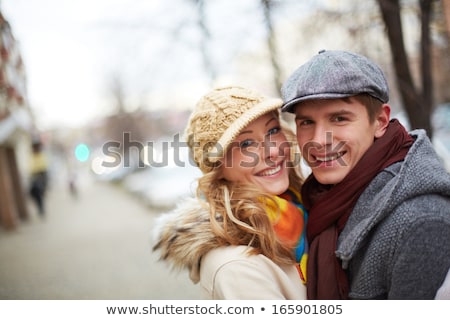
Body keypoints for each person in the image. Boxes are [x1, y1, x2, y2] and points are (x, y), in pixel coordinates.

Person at [280, 49, 450, 299]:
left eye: (339, 118)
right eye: (306, 122)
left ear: (380, 121)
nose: (318, 140)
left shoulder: (420, 221)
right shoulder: (321, 200)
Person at [152, 86, 308, 299]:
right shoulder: (235, 267)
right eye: (246, 144)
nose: (273, 151)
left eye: (272, 130)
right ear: (218, 167)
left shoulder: (303, 209)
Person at [29, 138, 49, 216]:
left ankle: (41, 208)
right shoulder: (32, 156)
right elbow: (30, 168)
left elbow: (44, 167)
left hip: (41, 175)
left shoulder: (41, 155)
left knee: (39, 192)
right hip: (34, 177)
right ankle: (40, 207)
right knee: (33, 193)